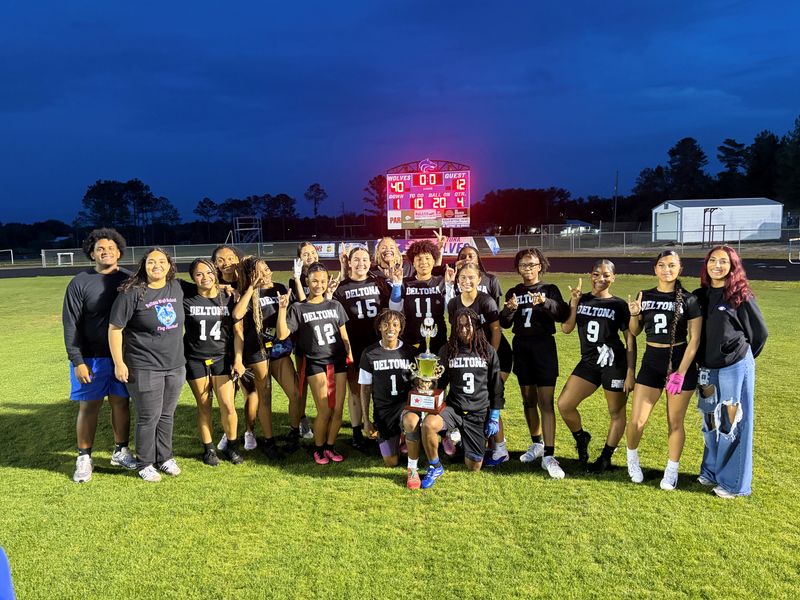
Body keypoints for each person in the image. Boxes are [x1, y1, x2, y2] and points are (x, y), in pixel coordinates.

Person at [62, 228, 136, 482]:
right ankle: (84, 457)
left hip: (122, 358)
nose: (106, 252)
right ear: (91, 253)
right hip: (90, 358)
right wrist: (77, 361)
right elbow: (70, 324)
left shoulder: (129, 280)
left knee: (120, 403)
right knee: (89, 406)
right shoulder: (80, 282)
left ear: (119, 252)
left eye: (111, 248)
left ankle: (120, 450)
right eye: (100, 249)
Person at [625, 250, 702, 490]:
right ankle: (632, 460)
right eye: (661, 265)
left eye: (671, 265)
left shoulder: (690, 300)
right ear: (655, 269)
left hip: (680, 363)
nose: (666, 270)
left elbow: (695, 340)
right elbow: (634, 331)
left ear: (680, 269)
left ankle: (671, 471)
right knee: (637, 421)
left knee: (675, 422)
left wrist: (680, 372)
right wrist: (634, 314)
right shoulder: (644, 294)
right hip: (651, 362)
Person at [694, 245, 767, 498]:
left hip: (735, 367)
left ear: (732, 265)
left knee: (733, 421)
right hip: (706, 368)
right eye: (712, 260)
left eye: (723, 261)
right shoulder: (700, 295)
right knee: (709, 421)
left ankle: (734, 483)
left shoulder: (740, 295)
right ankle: (711, 470)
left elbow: (759, 334)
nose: (717, 265)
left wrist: (739, 357)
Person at [109, 248, 185, 482]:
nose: (157, 265)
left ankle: (165, 457)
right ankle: (145, 462)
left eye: (162, 261)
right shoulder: (132, 293)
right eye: (151, 262)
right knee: (148, 416)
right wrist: (119, 362)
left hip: (175, 365)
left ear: (169, 265)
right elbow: (115, 329)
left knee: (166, 415)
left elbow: (206, 289)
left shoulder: (177, 287)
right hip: (144, 365)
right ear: (143, 266)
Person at [410, 308, 504, 489]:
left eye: (468, 326)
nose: (463, 330)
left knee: (474, 466)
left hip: (477, 411)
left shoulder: (487, 351)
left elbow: (496, 386)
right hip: (453, 409)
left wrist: (494, 415)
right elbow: (440, 381)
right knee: (429, 424)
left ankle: (460, 442)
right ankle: (435, 466)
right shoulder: (448, 350)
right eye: (459, 326)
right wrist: (426, 386)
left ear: (476, 326)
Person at [556, 260, 636, 474]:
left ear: (614, 277)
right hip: (589, 362)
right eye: (596, 274)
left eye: (606, 275)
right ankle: (582, 437)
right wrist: (573, 302)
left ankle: (606, 457)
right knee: (565, 404)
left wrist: (630, 372)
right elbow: (566, 328)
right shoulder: (580, 299)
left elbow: (630, 340)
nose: (601, 279)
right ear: (590, 275)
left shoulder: (618, 305)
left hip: (614, 363)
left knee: (616, 412)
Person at [500, 248, 570, 478]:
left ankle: (549, 454)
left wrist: (545, 303)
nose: (528, 269)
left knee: (545, 402)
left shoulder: (550, 289)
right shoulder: (514, 291)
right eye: (523, 265)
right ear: (518, 268)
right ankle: (536, 443)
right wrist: (509, 310)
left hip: (543, 348)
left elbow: (562, 314)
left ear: (540, 265)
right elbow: (505, 323)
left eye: (532, 264)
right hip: (522, 348)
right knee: (528, 400)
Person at [277, 262, 353, 464]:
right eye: (314, 281)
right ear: (307, 282)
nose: (318, 285)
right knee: (325, 410)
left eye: (322, 281)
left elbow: (344, 337)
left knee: (338, 410)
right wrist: (282, 309)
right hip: (316, 363)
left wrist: (350, 358)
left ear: (328, 282)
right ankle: (318, 448)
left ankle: (329, 446)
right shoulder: (298, 307)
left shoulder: (335, 305)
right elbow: (282, 334)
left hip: (338, 361)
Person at [447, 262, 510, 467]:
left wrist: (488, 356)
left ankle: (500, 448)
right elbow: (455, 332)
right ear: (457, 280)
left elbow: (496, 330)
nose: (467, 281)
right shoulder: (454, 303)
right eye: (463, 277)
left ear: (479, 279)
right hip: (466, 354)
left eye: (471, 277)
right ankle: (467, 439)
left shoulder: (486, 301)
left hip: (491, 352)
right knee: (466, 394)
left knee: (491, 396)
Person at [182, 258, 243, 466]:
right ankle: (208, 449)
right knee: (204, 405)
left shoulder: (228, 298)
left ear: (215, 273)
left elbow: (238, 331)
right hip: (195, 359)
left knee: (228, 405)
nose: (205, 277)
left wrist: (238, 359)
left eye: (209, 273)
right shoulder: (187, 297)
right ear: (192, 278)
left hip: (221, 357)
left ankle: (232, 447)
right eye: (199, 274)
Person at [230, 257, 292, 459]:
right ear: (251, 276)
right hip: (257, 351)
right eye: (260, 271)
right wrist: (251, 289)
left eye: (267, 268)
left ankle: (295, 432)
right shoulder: (249, 293)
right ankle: (269, 441)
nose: (266, 273)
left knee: (296, 394)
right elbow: (236, 315)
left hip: (279, 347)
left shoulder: (280, 288)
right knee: (265, 396)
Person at [333, 246, 390, 450]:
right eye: (356, 259)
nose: (361, 264)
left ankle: (379, 428)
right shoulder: (341, 288)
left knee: (379, 390)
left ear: (370, 261)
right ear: (349, 263)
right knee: (355, 391)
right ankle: (357, 433)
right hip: (354, 346)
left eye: (365, 259)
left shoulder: (380, 282)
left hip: (377, 345)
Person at [358, 310, 416, 481]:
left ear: (400, 329)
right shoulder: (369, 353)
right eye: (386, 324)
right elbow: (365, 389)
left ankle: (412, 469)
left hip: (404, 407)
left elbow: (417, 384)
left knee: (411, 421)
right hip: (383, 412)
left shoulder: (410, 352)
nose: (390, 328)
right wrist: (366, 420)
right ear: (380, 327)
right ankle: (402, 441)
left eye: (395, 324)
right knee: (391, 462)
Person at [394, 240, 454, 354]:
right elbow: (395, 309)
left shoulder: (441, 281)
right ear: (413, 263)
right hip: (411, 338)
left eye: (427, 258)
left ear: (433, 260)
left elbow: (449, 310)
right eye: (419, 259)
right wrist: (397, 285)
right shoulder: (405, 283)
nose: (423, 262)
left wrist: (449, 285)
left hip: (437, 337)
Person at [288, 241, 319, 438]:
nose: (310, 256)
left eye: (312, 252)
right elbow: (302, 305)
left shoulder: (323, 274)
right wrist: (298, 279)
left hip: (324, 339)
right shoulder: (294, 281)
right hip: (304, 339)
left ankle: (323, 416)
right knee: (303, 382)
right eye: (305, 254)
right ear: (300, 258)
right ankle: (302, 419)